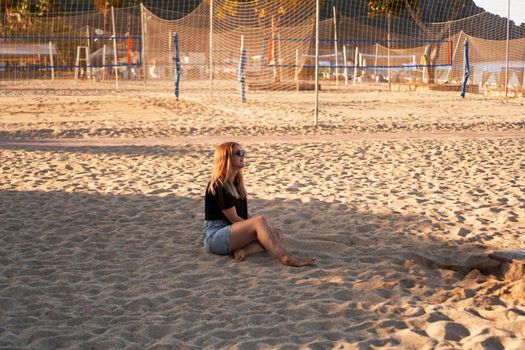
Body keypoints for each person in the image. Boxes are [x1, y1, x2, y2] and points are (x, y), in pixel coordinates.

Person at [203, 142, 316, 267]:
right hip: (215, 235)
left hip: (231, 231)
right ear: (226, 158)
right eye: (239, 153)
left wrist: (267, 230)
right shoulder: (219, 184)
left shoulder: (236, 184)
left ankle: (243, 251)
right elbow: (234, 219)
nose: (243, 156)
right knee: (261, 224)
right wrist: (260, 228)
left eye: (243, 153)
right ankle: (286, 257)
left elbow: (243, 215)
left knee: (274, 234)